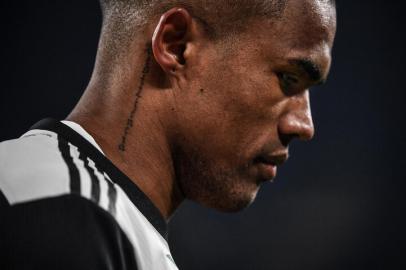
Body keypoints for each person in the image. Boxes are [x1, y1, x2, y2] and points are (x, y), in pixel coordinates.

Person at [0, 0, 336, 269]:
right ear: (176, 46)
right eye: (289, 79)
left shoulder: (99, 221)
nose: (304, 125)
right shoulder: (64, 213)